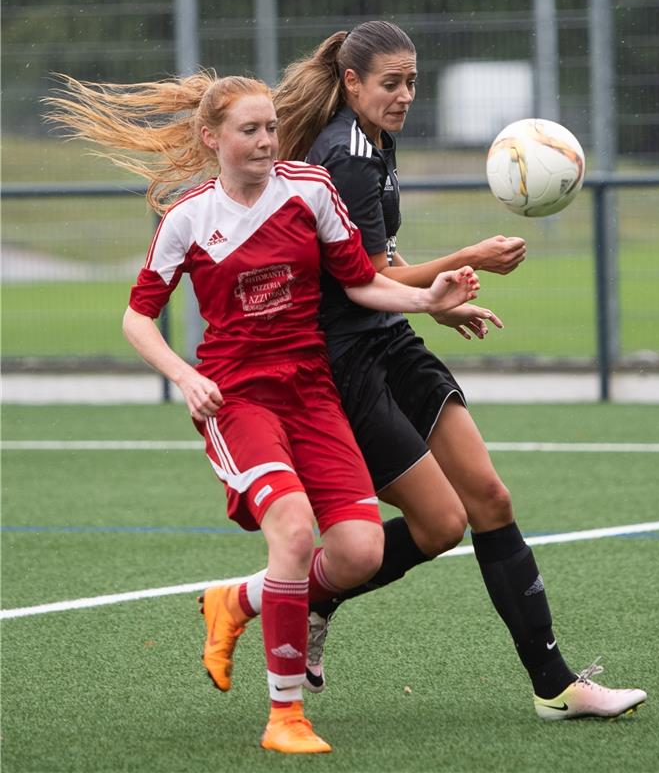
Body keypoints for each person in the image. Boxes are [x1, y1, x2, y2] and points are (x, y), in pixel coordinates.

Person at [43, 71, 485, 753]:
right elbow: (137, 318)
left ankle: (237, 601)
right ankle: (284, 717)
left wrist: (430, 299)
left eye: (271, 128)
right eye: (249, 130)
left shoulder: (309, 189)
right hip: (236, 396)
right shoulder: (188, 217)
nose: (265, 141)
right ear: (211, 138)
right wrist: (184, 377)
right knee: (293, 528)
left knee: (361, 551)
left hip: (311, 391)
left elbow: (360, 280)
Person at [217, 21, 646, 722]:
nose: (406, 94)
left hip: (389, 339)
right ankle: (294, 593)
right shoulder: (344, 155)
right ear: (351, 83)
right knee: (441, 523)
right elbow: (357, 281)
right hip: (345, 364)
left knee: (489, 499)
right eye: (391, 82)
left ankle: (556, 687)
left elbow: (379, 266)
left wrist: (434, 305)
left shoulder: (373, 142)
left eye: (412, 81)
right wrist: (463, 259)